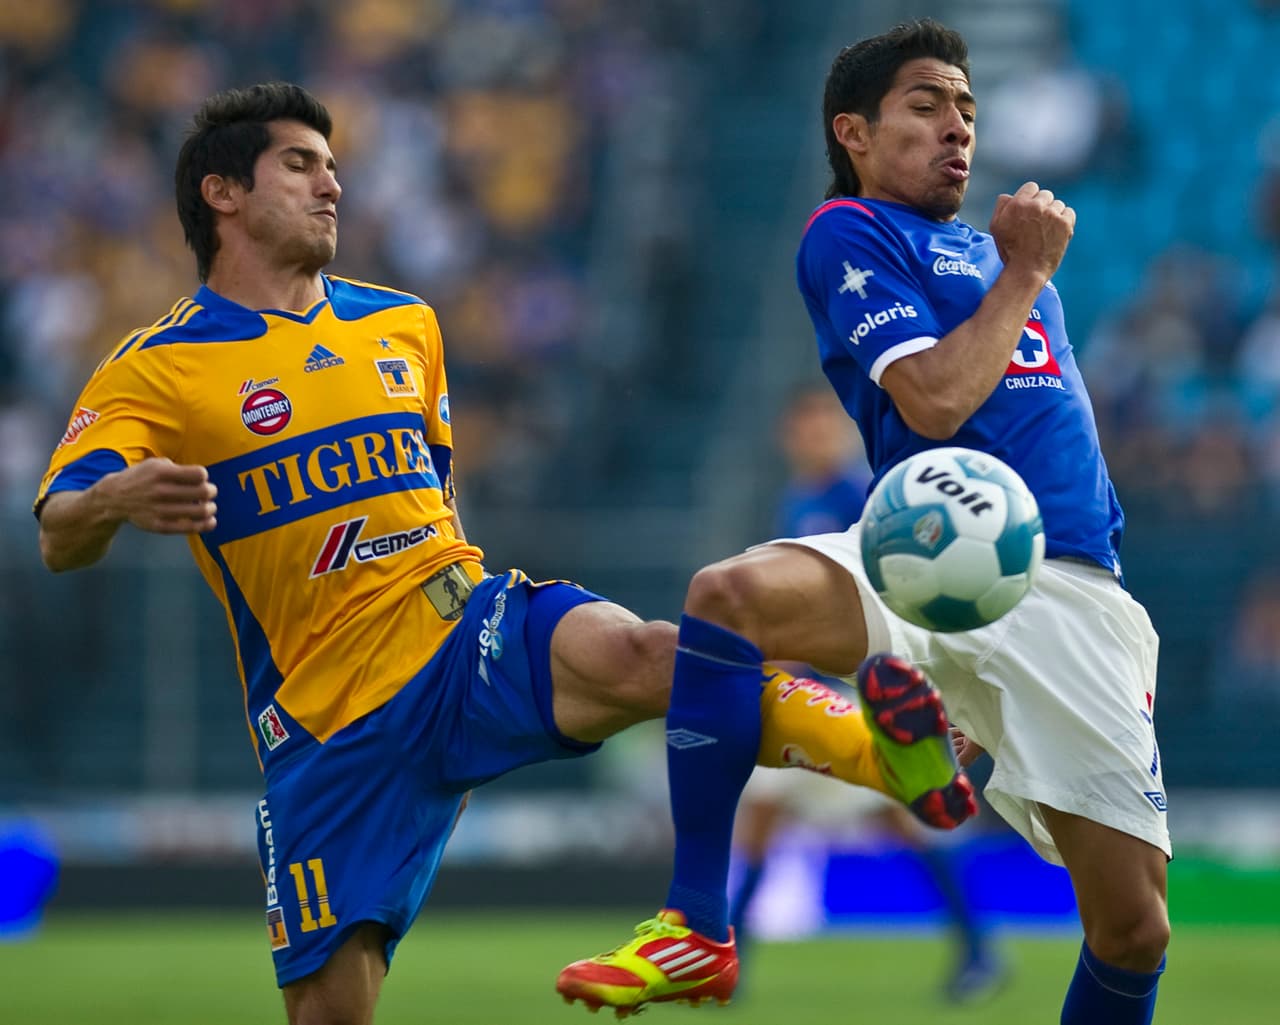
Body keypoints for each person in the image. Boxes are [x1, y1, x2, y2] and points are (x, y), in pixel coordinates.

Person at [33, 83, 971, 1025]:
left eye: (333, 164)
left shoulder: (404, 325)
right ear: (221, 193)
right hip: (330, 724)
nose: (333, 184)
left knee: (648, 654)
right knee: (329, 1015)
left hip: (461, 623)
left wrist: (464, 706)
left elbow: (435, 496)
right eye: (301, 163)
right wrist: (114, 496)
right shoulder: (158, 366)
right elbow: (58, 530)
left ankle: (889, 755)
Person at [558, 19, 1170, 1025]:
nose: (956, 129)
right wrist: (1023, 276)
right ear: (852, 130)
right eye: (925, 106)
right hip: (929, 548)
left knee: (1130, 929)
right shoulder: (855, 233)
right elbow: (931, 401)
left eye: (966, 109)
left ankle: (929, 754)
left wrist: (1018, 273)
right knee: (728, 595)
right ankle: (697, 924)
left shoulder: (1002, 253)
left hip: (1069, 583)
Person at [728, 383, 1004, 1004]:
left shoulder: (860, 495)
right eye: (805, 427)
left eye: (823, 426)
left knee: (890, 822)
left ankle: (979, 949)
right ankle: (734, 958)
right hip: (813, 687)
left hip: (857, 687)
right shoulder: (798, 499)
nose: (815, 437)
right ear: (788, 437)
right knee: (766, 820)